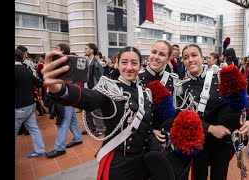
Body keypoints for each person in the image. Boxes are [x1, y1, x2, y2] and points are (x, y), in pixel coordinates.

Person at [41, 46, 174, 180]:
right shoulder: (110, 89)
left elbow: (145, 120)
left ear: (140, 66)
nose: (129, 67)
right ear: (117, 64)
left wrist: (151, 130)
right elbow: (91, 97)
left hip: (142, 161)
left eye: (134, 63)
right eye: (124, 62)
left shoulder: (146, 93)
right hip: (119, 162)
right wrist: (59, 89)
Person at [175, 44, 249, 180]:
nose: (190, 60)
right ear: (182, 61)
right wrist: (210, 128)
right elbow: (180, 117)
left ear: (203, 58)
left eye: (194, 55)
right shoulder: (181, 87)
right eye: (185, 57)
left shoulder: (220, 78)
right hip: (199, 143)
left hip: (222, 144)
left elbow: (246, 101)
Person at [45, 43, 83, 158]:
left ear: (61, 51)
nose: (54, 49)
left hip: (65, 96)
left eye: (56, 48)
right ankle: (78, 138)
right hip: (67, 95)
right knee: (72, 119)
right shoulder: (63, 62)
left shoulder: (64, 63)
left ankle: (59, 148)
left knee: (63, 122)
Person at [15, 48, 46, 158]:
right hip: (30, 104)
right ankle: (40, 150)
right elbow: (38, 82)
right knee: (34, 128)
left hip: (19, 107)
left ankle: (40, 150)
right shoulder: (26, 69)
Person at [81, 43, 106, 137]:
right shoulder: (88, 62)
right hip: (87, 89)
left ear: (91, 50)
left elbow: (99, 79)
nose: (84, 50)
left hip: (94, 90)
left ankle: (101, 128)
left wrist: (96, 92)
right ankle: (90, 127)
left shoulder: (96, 64)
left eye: (86, 48)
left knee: (96, 111)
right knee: (87, 110)